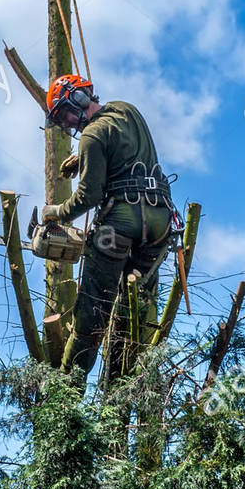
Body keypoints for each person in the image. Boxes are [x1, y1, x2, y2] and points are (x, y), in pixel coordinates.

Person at [41, 74, 175, 379]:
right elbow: (118, 142)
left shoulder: (91, 136)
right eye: (62, 119)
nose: (70, 124)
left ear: (80, 98)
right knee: (136, 311)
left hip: (119, 225)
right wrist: (83, 158)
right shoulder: (127, 110)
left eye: (67, 113)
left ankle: (66, 396)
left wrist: (55, 213)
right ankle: (125, 390)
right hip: (161, 223)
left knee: (91, 319)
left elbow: (89, 197)